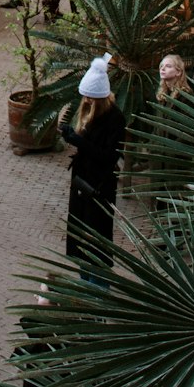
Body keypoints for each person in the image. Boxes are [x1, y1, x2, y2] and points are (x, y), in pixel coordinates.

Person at [59, 55, 126, 277]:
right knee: (80, 234)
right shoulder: (89, 109)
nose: (86, 101)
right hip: (82, 182)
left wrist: (79, 141)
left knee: (96, 233)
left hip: (99, 184)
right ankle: (84, 275)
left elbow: (107, 156)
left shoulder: (115, 119)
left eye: (90, 98)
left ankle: (97, 280)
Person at [147, 53, 194, 207]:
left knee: (174, 202)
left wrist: (175, 151)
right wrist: (152, 146)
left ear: (179, 71)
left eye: (168, 66)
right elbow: (157, 126)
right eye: (161, 66)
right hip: (159, 159)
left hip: (175, 162)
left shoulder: (187, 98)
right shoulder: (162, 96)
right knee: (158, 203)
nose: (163, 69)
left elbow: (190, 130)